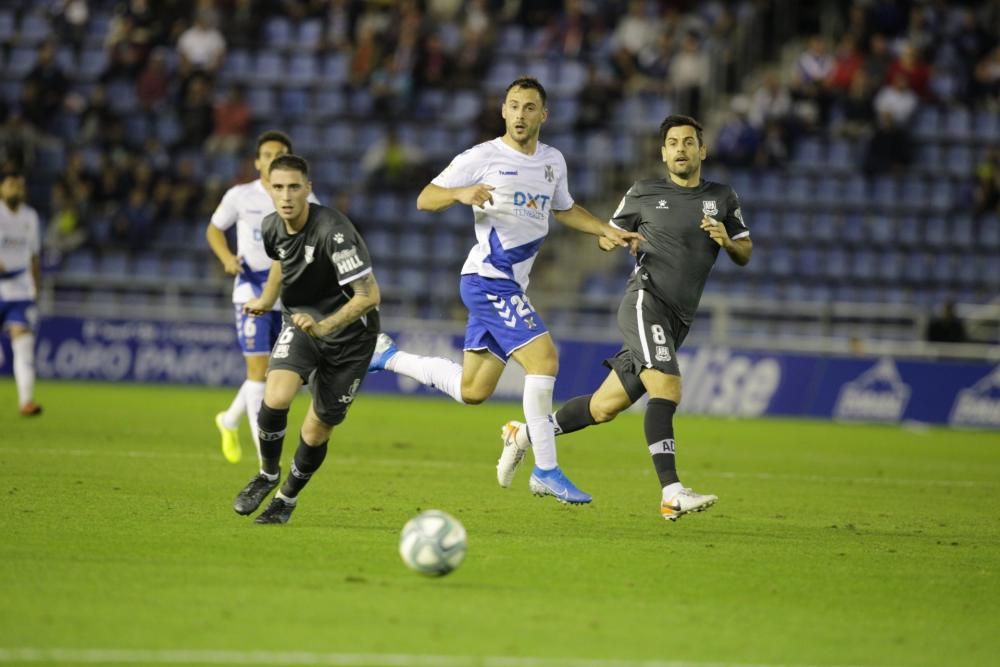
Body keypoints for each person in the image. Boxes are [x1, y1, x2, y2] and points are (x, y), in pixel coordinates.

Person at [367, 77, 642, 505]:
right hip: (486, 279)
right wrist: (460, 193)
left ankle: (386, 356)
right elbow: (425, 198)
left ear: (543, 115)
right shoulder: (483, 156)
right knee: (545, 359)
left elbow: (565, 209)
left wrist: (603, 230)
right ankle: (546, 470)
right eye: (513, 106)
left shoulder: (553, 162)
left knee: (473, 390)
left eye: (529, 107)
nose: (520, 114)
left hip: (510, 285)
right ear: (503, 111)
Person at [497, 115, 753, 521]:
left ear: (702, 150)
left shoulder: (722, 197)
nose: (681, 149)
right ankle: (671, 492)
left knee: (603, 407)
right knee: (666, 388)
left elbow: (745, 251)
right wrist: (613, 240)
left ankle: (523, 433)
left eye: (689, 142)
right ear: (663, 152)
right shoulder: (643, 192)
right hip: (645, 301)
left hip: (679, 318)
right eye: (673, 143)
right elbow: (605, 235)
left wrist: (726, 240)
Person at [232, 154, 381, 524]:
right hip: (301, 324)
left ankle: (286, 499)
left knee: (316, 429)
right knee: (276, 395)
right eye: (278, 187)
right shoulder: (271, 227)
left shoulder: (334, 231)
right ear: (268, 189)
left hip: (350, 339)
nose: (286, 195)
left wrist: (326, 326)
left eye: (294, 187)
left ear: (308, 190)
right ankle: (267, 474)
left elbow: (369, 296)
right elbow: (281, 261)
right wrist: (267, 301)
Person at [206, 130, 319, 464]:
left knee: (282, 376)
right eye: (267, 155)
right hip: (249, 291)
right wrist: (226, 258)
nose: (273, 160)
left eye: (280, 154)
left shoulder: (306, 200)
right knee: (258, 372)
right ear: (257, 161)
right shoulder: (239, 196)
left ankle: (228, 420)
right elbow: (214, 229)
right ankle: (264, 463)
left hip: (289, 296)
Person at [0, 170, 43, 416]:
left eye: (19, 184)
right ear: (2, 188)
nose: (16, 188)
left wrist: (36, 286)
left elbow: (35, 255)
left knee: (23, 342)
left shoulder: (30, 216)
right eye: (11, 184)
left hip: (19, 290)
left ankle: (26, 401)